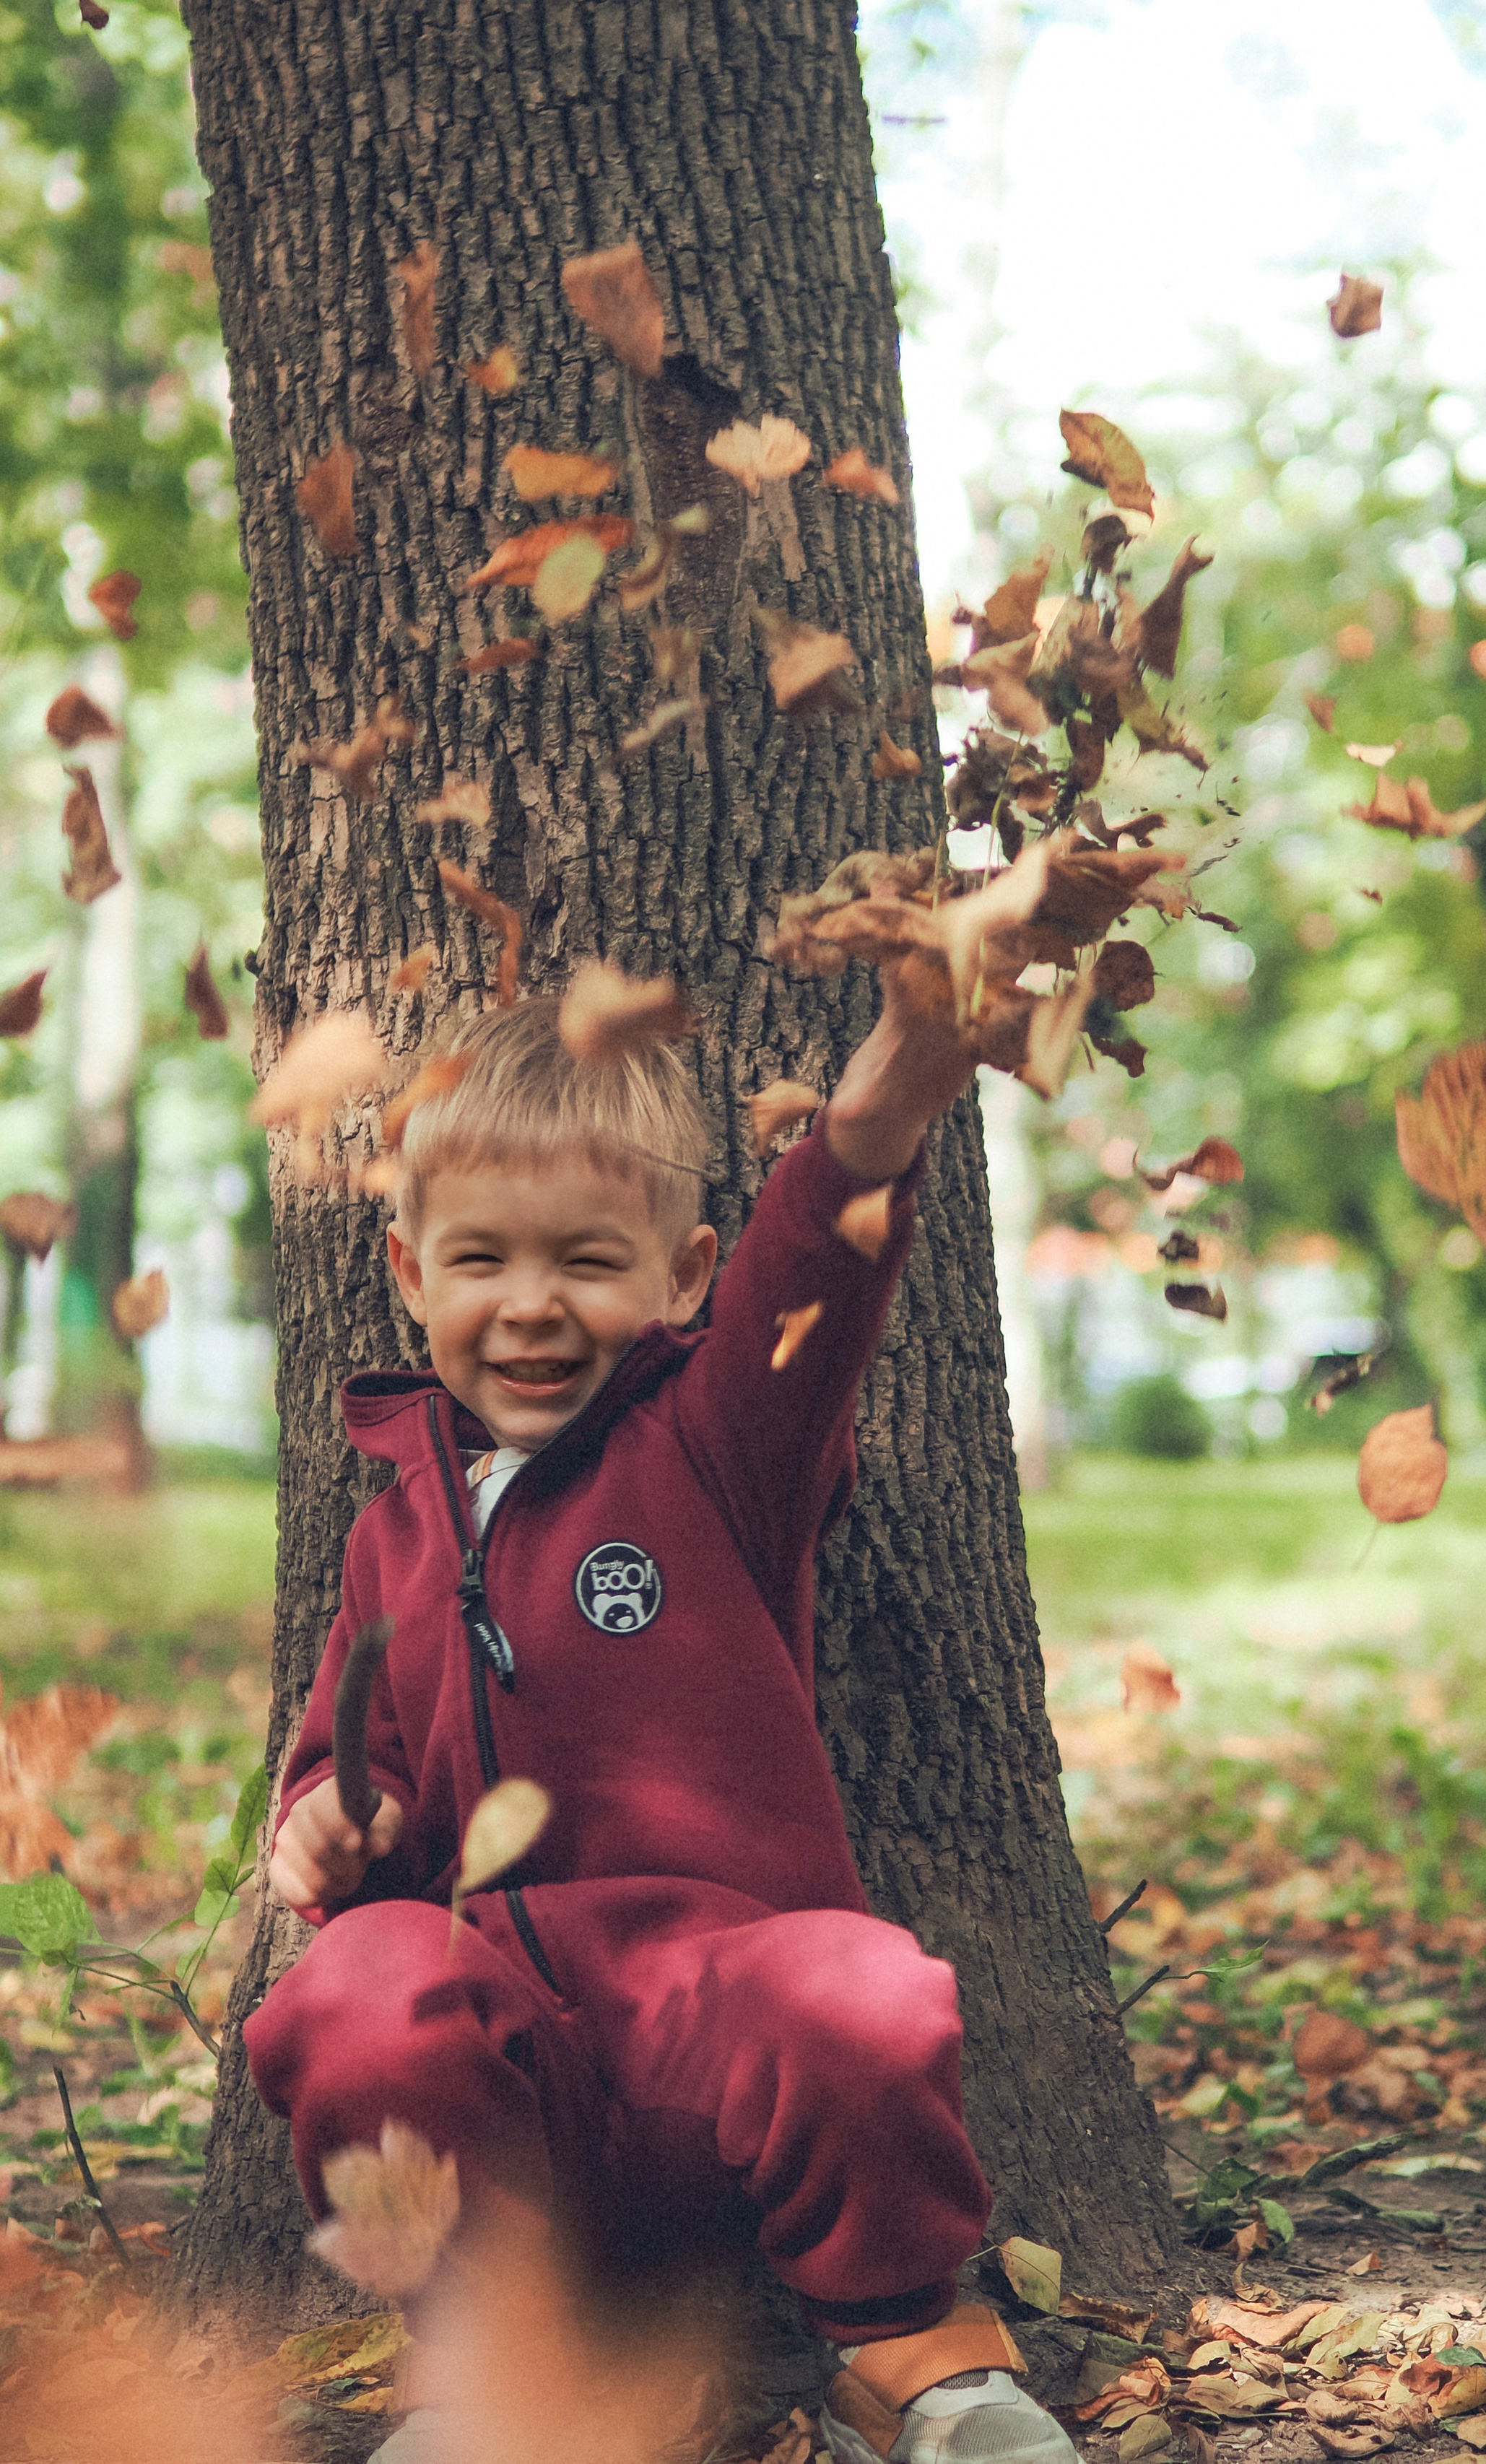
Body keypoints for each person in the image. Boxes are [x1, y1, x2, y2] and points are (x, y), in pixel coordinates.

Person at [243, 982, 1079, 2464]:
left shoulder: (715, 1438)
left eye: (587, 1260)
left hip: (721, 2030)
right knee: (351, 1990)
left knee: (861, 1991)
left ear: (686, 1273)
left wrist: (891, 1090)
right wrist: (333, 1822)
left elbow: (813, 1263)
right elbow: (341, 1758)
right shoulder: (392, 1531)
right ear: (408, 1273)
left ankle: (912, 2361)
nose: (530, 1304)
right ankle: (485, 2381)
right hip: (498, 2066)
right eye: (481, 1260)